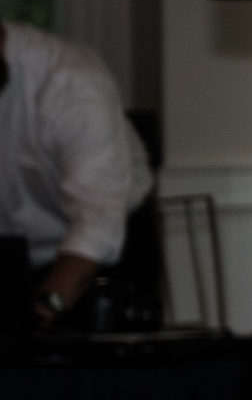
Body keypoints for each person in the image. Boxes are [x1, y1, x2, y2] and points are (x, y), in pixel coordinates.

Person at [0, 19, 153, 329]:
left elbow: (96, 225)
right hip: (11, 255)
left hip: (99, 252)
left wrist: (43, 312)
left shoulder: (72, 82)